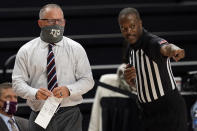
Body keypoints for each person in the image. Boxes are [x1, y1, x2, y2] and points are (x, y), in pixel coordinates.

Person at [12, 4, 94, 131]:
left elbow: (88, 81)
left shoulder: (76, 48)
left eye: (59, 20)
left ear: (64, 22)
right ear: (40, 23)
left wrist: (69, 90)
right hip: (39, 113)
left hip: (69, 114)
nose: (56, 24)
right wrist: (35, 93)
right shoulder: (26, 50)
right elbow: (17, 84)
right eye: (51, 20)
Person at [119, 7, 188, 131]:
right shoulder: (129, 48)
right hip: (147, 112)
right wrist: (130, 80)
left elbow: (165, 47)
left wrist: (175, 50)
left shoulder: (151, 42)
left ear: (140, 23)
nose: (129, 31)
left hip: (169, 110)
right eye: (124, 28)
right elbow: (139, 83)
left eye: (132, 26)